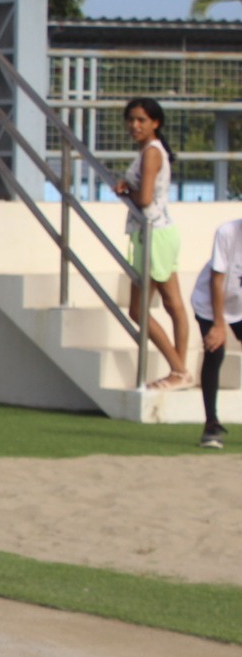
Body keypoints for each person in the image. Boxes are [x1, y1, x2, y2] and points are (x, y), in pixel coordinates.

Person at [113, 96, 191, 391]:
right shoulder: (151, 151)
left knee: (138, 310)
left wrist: (124, 191)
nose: (134, 125)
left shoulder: (151, 153)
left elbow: (144, 199)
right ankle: (180, 372)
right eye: (131, 119)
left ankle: (179, 370)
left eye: (141, 120)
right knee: (173, 304)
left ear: (155, 123)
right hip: (160, 232)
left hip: (154, 235)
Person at [190, 215, 242, 448]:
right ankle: (211, 424)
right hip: (209, 303)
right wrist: (219, 325)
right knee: (215, 352)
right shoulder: (227, 233)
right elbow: (216, 279)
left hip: (239, 306)